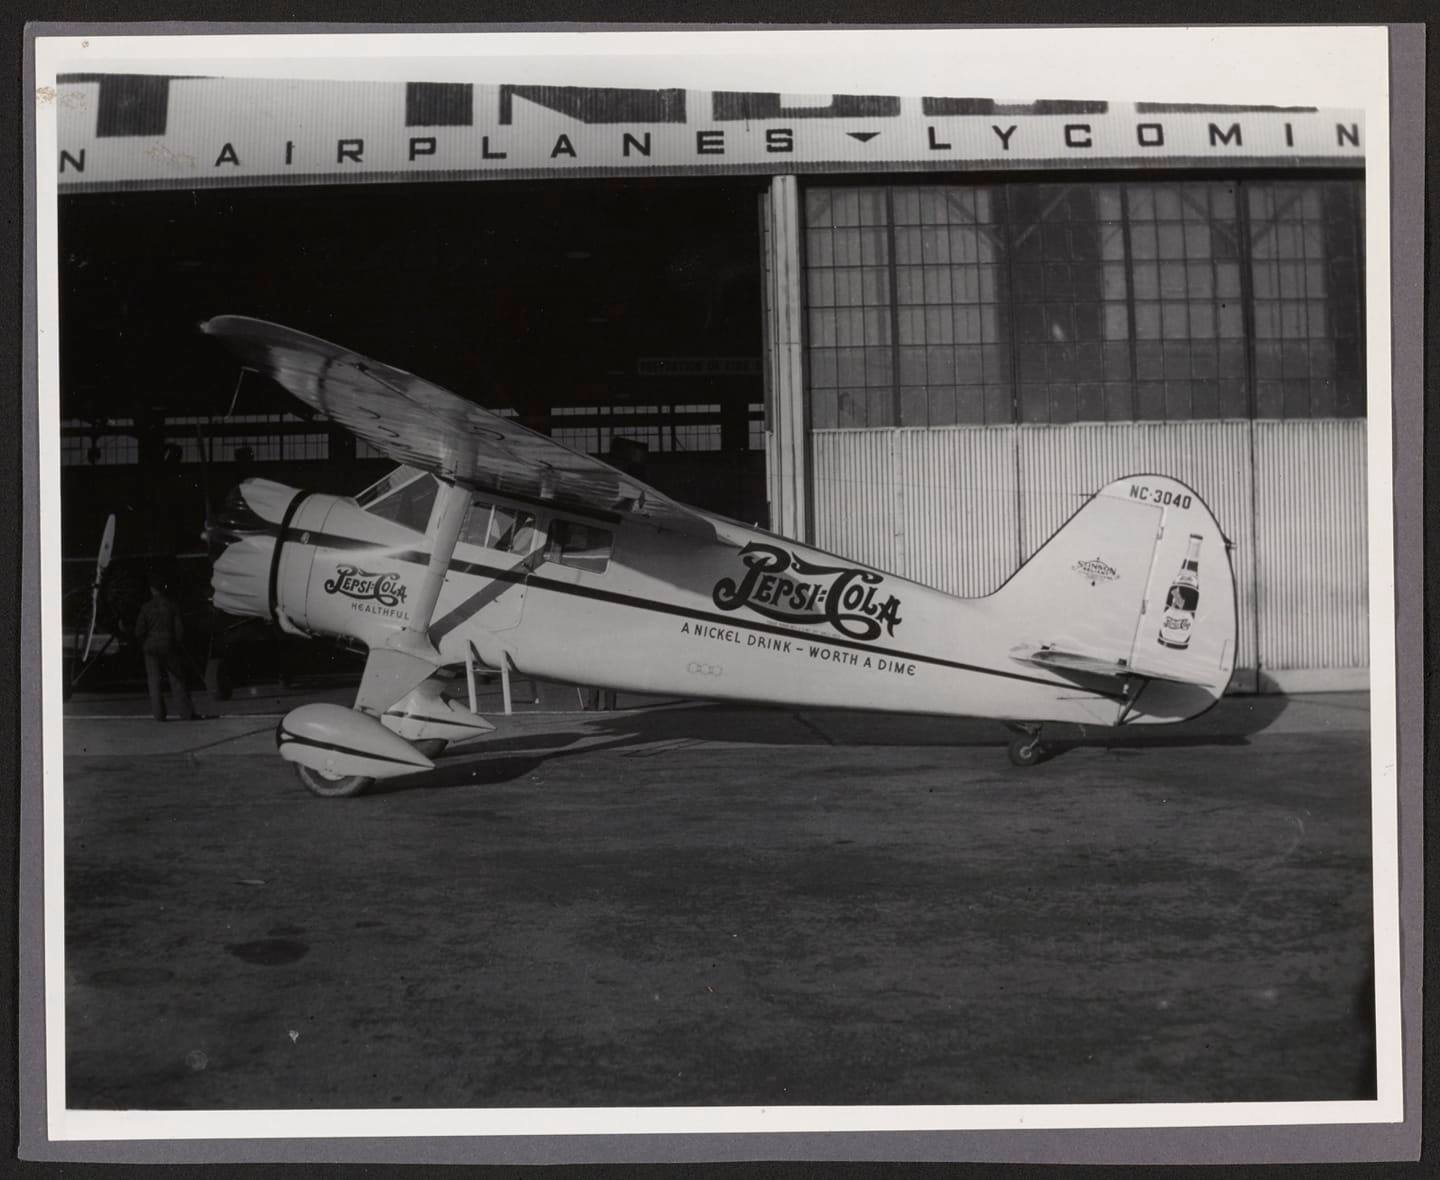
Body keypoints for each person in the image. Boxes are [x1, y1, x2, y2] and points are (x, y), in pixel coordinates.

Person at [133, 577, 197, 721]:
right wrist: (177, 644)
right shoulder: (172, 606)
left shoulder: (146, 607)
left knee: (154, 681)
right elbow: (179, 630)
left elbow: (139, 631)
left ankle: (159, 715)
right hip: (168, 645)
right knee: (177, 679)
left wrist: (145, 643)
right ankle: (185, 713)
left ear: (152, 589)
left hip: (150, 647)